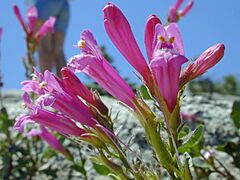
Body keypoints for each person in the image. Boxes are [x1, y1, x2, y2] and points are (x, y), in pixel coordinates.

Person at [27, 0, 70, 77]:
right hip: (64, 5)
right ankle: (66, 86)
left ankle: (47, 85)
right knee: (59, 51)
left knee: (44, 46)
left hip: (44, 4)